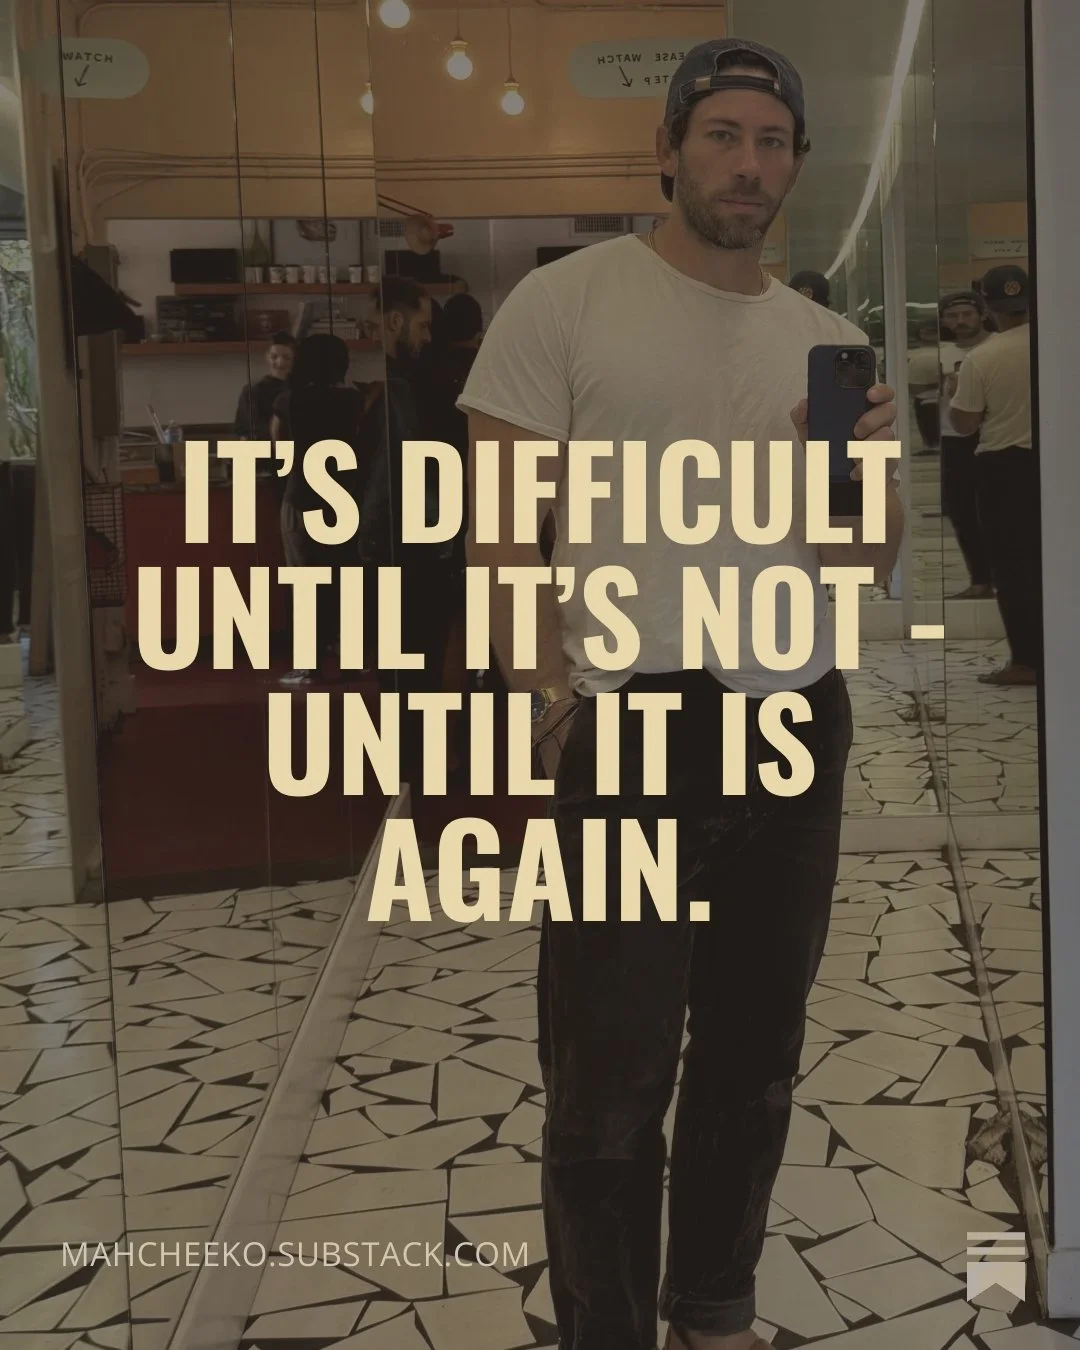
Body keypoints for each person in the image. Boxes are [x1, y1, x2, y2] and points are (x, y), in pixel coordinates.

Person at [460, 37, 902, 1350]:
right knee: (608, 1075)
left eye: (772, 142)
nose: (748, 163)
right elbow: (499, 528)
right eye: (723, 135)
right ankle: (608, 1327)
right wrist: (542, 695)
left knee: (753, 1060)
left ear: (797, 171)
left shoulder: (827, 340)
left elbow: (859, 561)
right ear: (666, 150)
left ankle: (713, 1305)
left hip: (790, 715)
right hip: (631, 717)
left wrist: (860, 477)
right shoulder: (568, 304)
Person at [360, 277, 454, 775]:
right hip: (407, 548)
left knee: (400, 660)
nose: (425, 335)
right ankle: (413, 760)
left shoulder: (379, 386)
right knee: (415, 658)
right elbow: (403, 472)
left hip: (389, 546)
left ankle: (408, 757)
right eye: (421, 324)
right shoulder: (399, 389)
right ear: (395, 321)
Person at [950, 265, 1039, 685]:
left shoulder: (983, 357)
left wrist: (954, 397)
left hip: (1005, 469)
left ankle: (1026, 660)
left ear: (987, 308)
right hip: (1056, 464)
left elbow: (965, 423)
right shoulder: (1058, 341)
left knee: (1013, 566)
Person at [270, 333, 369, 685]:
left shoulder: (288, 401)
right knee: (347, 581)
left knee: (305, 583)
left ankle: (308, 665)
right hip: (342, 502)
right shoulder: (353, 400)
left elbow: (278, 451)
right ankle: (351, 657)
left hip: (300, 501)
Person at [910, 292, 993, 597]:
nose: (960, 321)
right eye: (953, 315)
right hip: (954, 440)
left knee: (998, 513)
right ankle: (981, 579)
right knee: (961, 512)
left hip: (994, 437)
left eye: (967, 314)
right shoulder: (937, 353)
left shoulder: (995, 346)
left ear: (982, 314)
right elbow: (914, 388)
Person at [234, 332, 295, 439]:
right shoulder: (252, 391)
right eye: (274, 357)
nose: (280, 362)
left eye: (286, 357)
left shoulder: (300, 387)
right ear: (267, 357)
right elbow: (243, 430)